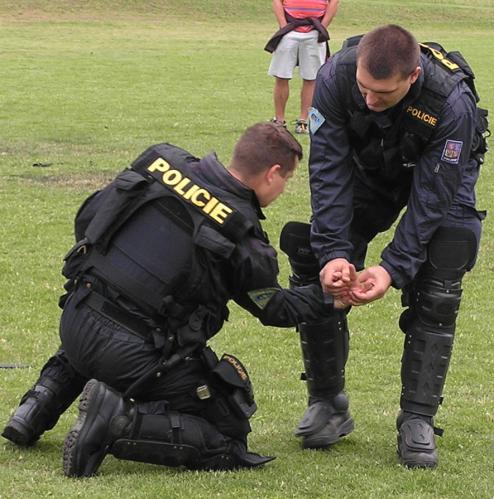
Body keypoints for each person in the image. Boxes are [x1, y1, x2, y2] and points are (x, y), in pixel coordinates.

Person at [3, 122, 342, 478]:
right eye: (286, 180)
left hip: (76, 318)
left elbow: (90, 219)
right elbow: (275, 308)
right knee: (229, 437)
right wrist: (332, 298)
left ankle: (37, 406)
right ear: (273, 174)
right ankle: (117, 421)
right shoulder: (244, 238)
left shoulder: (160, 164)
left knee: (112, 308)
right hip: (134, 357)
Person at [292, 25, 488, 468]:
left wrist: (392, 268)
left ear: (413, 77)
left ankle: (417, 418)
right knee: (315, 262)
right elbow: (327, 169)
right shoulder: (335, 76)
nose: (369, 100)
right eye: (364, 87)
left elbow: (433, 196)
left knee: (442, 271)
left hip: (442, 170)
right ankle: (327, 402)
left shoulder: (452, 103)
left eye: (382, 93)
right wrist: (334, 253)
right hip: (371, 163)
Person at [265, 0, 339, 134]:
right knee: (281, 76)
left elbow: (334, 2)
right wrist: (283, 26)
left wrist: (322, 26)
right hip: (289, 30)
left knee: (311, 78)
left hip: (314, 32)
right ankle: (280, 121)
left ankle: (303, 121)